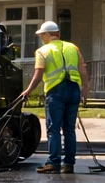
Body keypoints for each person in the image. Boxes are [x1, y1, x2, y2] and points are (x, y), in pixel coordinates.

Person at [17, 21, 90, 174]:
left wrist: (28, 91)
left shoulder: (42, 51)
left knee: (54, 129)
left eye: (41, 35)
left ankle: (53, 163)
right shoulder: (73, 48)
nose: (41, 38)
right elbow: (82, 68)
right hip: (73, 90)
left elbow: (38, 74)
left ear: (47, 34)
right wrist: (84, 89)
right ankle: (68, 164)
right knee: (69, 129)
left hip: (56, 91)